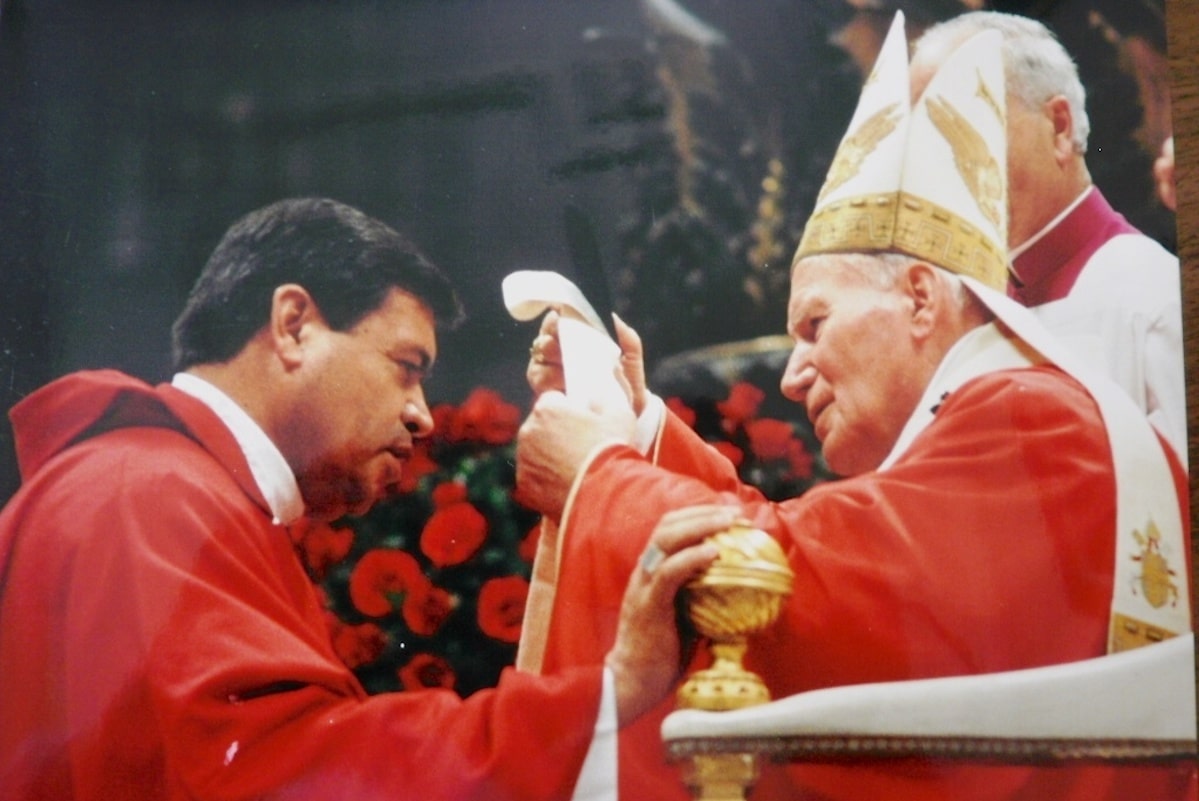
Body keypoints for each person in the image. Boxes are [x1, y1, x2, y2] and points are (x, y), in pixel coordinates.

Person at [513, 15, 1194, 801]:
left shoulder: (1029, 417)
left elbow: (783, 579)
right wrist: (636, 427)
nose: (793, 374)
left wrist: (599, 469)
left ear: (916, 296)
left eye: (814, 325)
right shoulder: (1011, 409)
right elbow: (822, 550)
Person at [0, 197, 722, 801]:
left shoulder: (166, 486)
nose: (423, 415)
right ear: (293, 326)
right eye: (406, 368)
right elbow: (283, 773)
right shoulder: (150, 498)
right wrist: (608, 690)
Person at [909, 11, 1186, 462]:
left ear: (1059, 127)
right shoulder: (967, 323)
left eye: (961, 124)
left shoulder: (1152, 300)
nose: (941, 160)